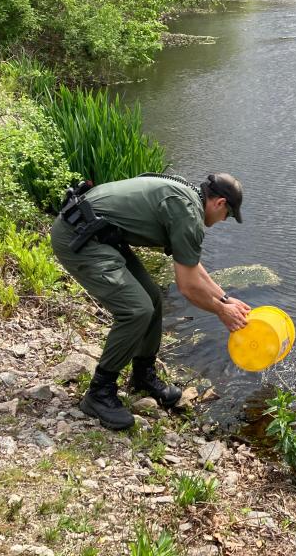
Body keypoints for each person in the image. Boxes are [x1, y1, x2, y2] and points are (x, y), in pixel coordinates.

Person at [50, 172, 251, 430]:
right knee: (136, 309)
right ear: (220, 203)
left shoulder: (187, 198)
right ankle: (99, 392)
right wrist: (221, 311)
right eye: (229, 215)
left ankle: (143, 375)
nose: (224, 220)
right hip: (77, 236)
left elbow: (191, 265)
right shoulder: (188, 214)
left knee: (153, 299)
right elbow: (187, 286)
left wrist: (224, 297)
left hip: (99, 232)